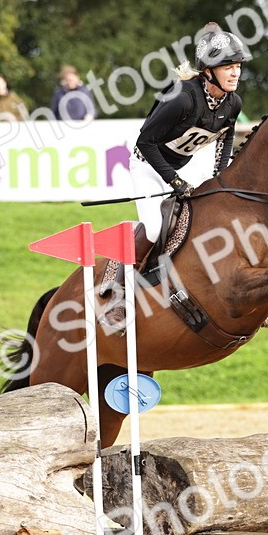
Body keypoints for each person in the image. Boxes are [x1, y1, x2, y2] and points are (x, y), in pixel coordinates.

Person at [99, 21, 247, 329]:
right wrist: (174, 182)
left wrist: (222, 176)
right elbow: (145, 142)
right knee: (155, 227)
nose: (235, 73)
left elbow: (226, 137)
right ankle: (119, 295)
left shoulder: (232, 102)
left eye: (238, 66)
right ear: (208, 70)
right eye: (228, 67)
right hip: (148, 164)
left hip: (184, 162)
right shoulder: (182, 98)